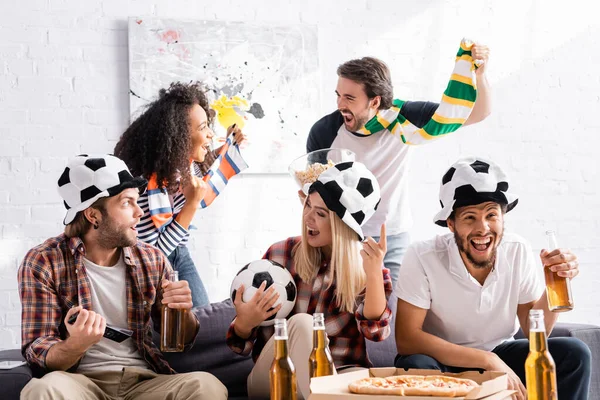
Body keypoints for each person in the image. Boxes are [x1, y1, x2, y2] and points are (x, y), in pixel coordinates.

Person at [18, 154, 227, 400]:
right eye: (127, 202)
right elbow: (38, 351)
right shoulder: (44, 262)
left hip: (145, 382)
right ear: (93, 215)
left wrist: (183, 313)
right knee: (43, 389)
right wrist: (75, 344)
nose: (139, 212)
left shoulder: (152, 259)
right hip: (79, 383)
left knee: (207, 386)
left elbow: (181, 341)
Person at [393, 156, 591, 400]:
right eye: (469, 217)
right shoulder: (422, 255)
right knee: (416, 365)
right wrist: (487, 360)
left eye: (491, 215)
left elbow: (534, 331)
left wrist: (554, 283)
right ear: (451, 224)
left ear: (502, 217)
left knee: (575, 353)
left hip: (500, 352)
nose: (483, 228)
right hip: (441, 360)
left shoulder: (517, 250)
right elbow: (407, 339)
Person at [306, 40, 492, 284]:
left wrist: (480, 74)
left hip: (392, 237)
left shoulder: (404, 119)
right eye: (338, 95)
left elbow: (474, 114)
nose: (340, 104)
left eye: (350, 98)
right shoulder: (325, 132)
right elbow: (313, 193)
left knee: (391, 314)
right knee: (349, 314)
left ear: (375, 101)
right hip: (343, 237)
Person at [227, 161, 392, 399]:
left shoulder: (365, 263)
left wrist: (374, 273)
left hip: (341, 374)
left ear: (342, 225)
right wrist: (245, 321)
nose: (308, 218)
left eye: (321, 214)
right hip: (276, 376)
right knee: (306, 324)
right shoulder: (280, 254)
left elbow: (376, 333)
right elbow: (237, 343)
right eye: (308, 206)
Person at [114, 81, 247, 307]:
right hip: (151, 269)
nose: (210, 135)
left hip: (179, 252)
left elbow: (200, 170)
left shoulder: (180, 165)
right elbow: (153, 256)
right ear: (180, 137)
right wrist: (191, 207)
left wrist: (225, 147)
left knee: (201, 322)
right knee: (184, 329)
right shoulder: (146, 188)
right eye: (203, 127)